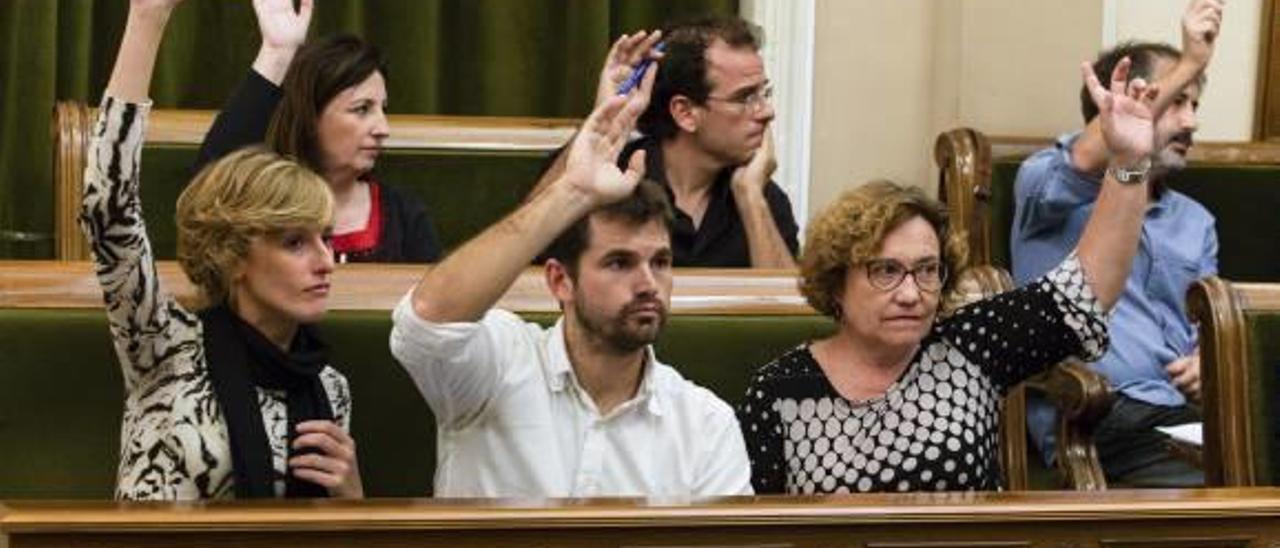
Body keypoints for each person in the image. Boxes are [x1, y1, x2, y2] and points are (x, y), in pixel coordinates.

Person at [737, 29, 1212, 492]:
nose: (910, 293)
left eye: (927, 270)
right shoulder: (778, 391)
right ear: (836, 281)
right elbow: (753, 533)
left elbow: (1088, 288)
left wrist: (1128, 159)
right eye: (885, 271)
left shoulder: (972, 348)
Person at [389, 60, 751, 497]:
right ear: (561, 281)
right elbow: (425, 321)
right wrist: (573, 191)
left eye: (660, 262)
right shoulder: (501, 362)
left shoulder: (704, 423)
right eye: (619, 263)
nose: (647, 284)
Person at [82, 0, 361, 500]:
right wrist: (147, 19)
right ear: (233, 258)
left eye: (326, 238)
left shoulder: (330, 386)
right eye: (295, 242)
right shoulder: (164, 346)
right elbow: (109, 210)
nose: (324, 261)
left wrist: (354, 501)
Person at [1011, 0, 1223, 487]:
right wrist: (1191, 62)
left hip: (1182, 415)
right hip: (1093, 414)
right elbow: (1096, 154)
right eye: (1175, 103)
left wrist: (1206, 358)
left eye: (1195, 105)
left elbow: (1205, 325)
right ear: (1116, 105)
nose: (1190, 123)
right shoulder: (1046, 188)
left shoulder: (1197, 222)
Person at [535, 16, 798, 268]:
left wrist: (751, 198)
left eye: (764, 93)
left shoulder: (764, 197)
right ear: (685, 113)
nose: (767, 112)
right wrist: (602, 124)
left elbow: (791, 314)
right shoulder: (604, 175)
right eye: (745, 98)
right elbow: (521, 258)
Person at [194, 0, 440, 263]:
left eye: (383, 109)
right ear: (311, 117)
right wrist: (277, 54)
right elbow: (209, 189)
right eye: (361, 109)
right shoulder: (262, 207)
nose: (383, 129)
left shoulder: (406, 217)